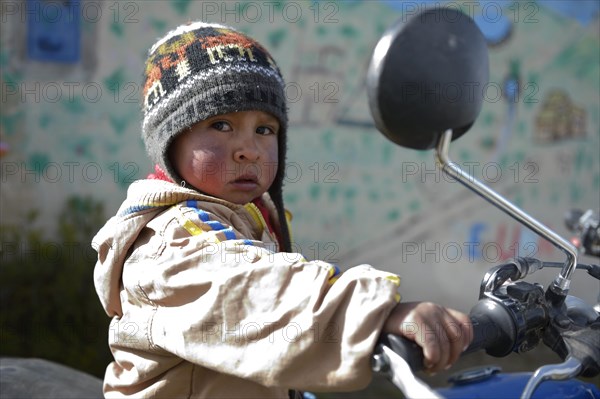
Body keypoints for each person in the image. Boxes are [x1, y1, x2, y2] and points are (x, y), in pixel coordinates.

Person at [92, 21, 472, 398]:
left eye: (265, 129)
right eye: (221, 124)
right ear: (169, 141)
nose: (249, 149)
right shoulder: (172, 242)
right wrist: (375, 313)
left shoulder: (245, 216)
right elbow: (255, 292)